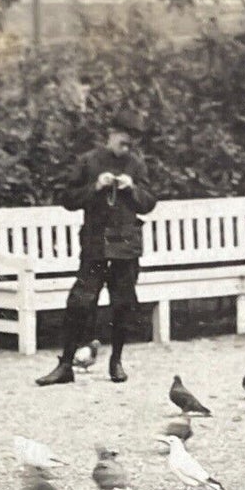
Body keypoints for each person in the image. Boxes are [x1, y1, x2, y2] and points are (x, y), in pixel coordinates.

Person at [36, 109, 157, 386]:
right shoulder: (88, 162)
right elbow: (68, 199)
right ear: (111, 135)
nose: (126, 149)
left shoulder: (136, 165)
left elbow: (149, 203)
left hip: (126, 248)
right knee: (79, 302)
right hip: (95, 246)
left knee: (123, 305)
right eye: (123, 142)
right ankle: (65, 364)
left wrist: (132, 189)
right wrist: (95, 187)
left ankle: (116, 361)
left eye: (131, 144)